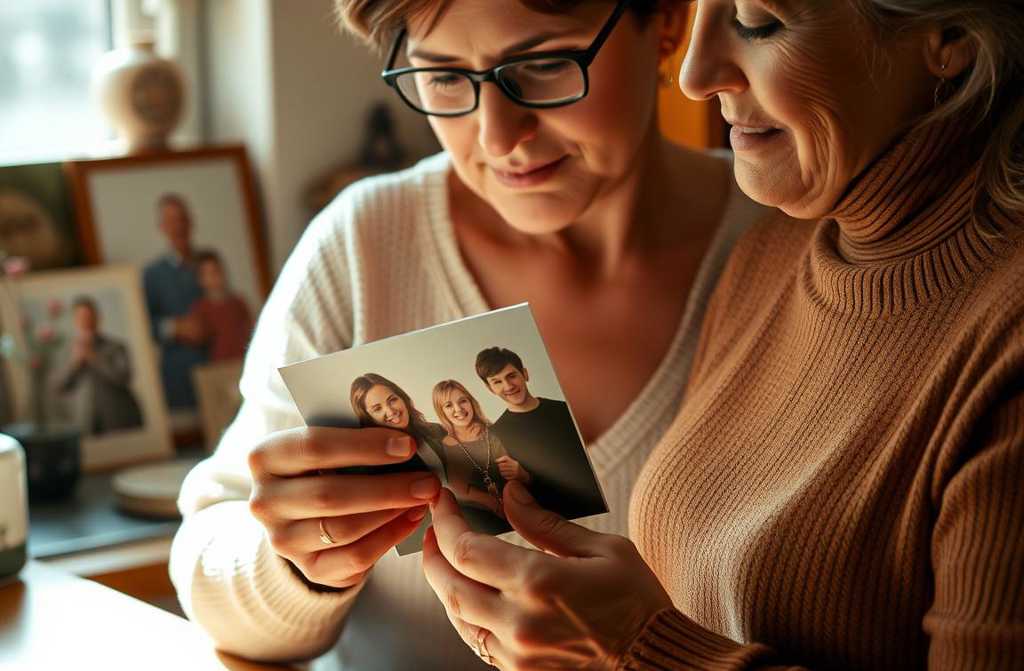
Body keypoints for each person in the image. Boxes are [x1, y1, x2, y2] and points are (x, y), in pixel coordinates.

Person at [419, 0, 1024, 668]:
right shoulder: (770, 253)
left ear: (950, 36)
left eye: (758, 20)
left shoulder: (1003, 343)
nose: (693, 77)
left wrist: (632, 649)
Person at [169, 0, 773, 666]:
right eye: (445, 77)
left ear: (666, 21)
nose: (497, 135)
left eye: (545, 64)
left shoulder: (792, 253)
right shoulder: (364, 246)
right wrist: (297, 567)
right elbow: (212, 564)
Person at [476, 346, 604, 518]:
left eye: (511, 376)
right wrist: (525, 477)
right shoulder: (495, 435)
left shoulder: (565, 409)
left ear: (525, 374)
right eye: (497, 382)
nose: (508, 386)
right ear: (490, 388)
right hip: (557, 518)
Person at [142, 193, 207, 412]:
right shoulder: (153, 274)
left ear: (191, 222)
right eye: (171, 221)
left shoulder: (208, 263)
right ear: (162, 227)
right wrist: (175, 328)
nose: (178, 227)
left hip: (216, 363)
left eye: (182, 219)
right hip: (179, 372)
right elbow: (145, 325)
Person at [433, 379, 526, 530]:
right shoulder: (446, 445)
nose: (458, 409)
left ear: (471, 402)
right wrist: (493, 503)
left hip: (518, 506)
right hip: (484, 520)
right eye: (448, 405)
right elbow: (460, 490)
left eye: (462, 401)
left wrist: (521, 475)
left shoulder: (494, 431)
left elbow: (519, 475)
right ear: (441, 411)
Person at [56, 296, 144, 436]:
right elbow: (60, 388)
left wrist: (94, 358)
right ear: (75, 321)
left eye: (89, 317)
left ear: (98, 318)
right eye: (81, 318)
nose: (86, 322)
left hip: (119, 419)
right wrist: (75, 364)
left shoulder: (116, 346)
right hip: (86, 422)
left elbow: (124, 378)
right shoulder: (67, 351)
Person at [188, 251, 254, 362]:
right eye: (209, 273)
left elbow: (250, 330)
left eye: (217, 270)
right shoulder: (200, 308)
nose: (214, 277)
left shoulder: (238, 302)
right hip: (219, 363)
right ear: (201, 279)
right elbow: (198, 337)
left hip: (243, 359)